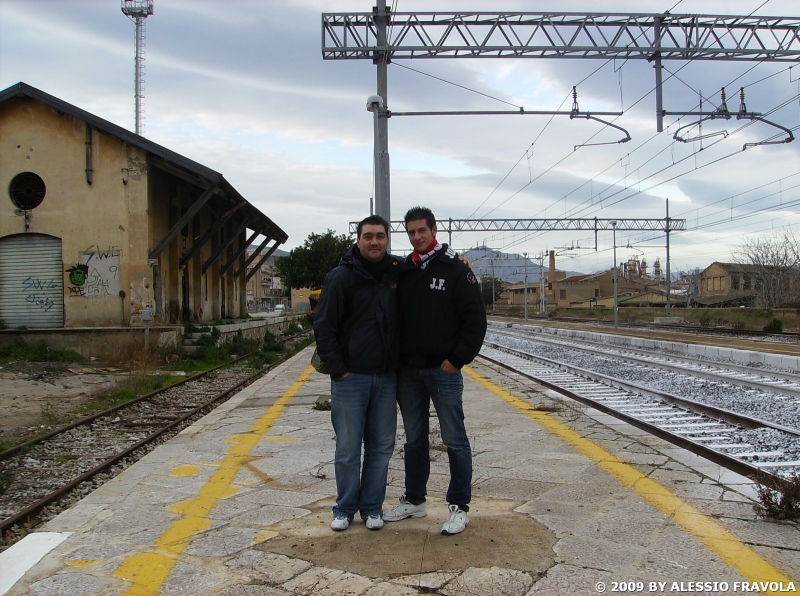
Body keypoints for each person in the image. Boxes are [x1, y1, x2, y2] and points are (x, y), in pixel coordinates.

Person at [383, 206, 487, 535]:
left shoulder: (457, 270)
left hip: (443, 372)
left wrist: (457, 359)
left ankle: (459, 506)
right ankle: (414, 501)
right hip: (409, 373)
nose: (416, 237)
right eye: (411, 232)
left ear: (434, 230)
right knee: (414, 440)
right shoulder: (403, 269)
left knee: (454, 439)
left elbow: (476, 321)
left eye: (421, 231)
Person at [312, 215, 401, 532]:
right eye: (368, 236)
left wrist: (458, 263)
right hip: (351, 379)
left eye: (380, 236)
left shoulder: (397, 273)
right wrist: (339, 371)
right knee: (348, 447)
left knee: (381, 446)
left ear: (387, 239)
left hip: (386, 377)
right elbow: (324, 327)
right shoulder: (340, 277)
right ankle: (345, 508)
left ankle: (372, 508)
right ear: (358, 239)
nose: (374, 241)